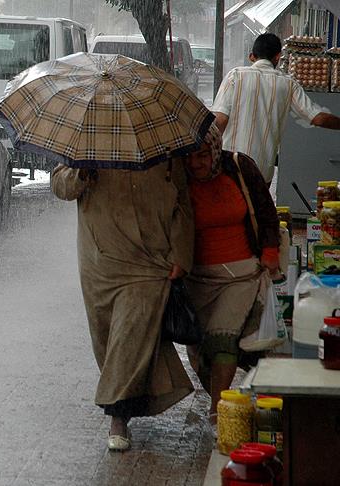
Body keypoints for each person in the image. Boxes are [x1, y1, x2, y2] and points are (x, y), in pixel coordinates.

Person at [51, 159, 195, 452]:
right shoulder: (90, 143)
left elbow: (182, 202)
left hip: (149, 261)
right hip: (101, 260)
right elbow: (60, 186)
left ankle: (117, 415)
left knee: (130, 332)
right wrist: (81, 173)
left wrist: (182, 253)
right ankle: (131, 398)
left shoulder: (163, 145)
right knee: (109, 339)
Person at [182, 125, 280, 422]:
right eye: (189, 157)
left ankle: (217, 411)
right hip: (197, 278)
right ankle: (219, 396)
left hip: (241, 276)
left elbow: (266, 211)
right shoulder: (176, 179)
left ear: (214, 151)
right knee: (199, 348)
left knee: (223, 339)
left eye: (202, 155)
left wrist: (270, 251)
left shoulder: (239, 167)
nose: (196, 163)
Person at [212, 33, 340, 184]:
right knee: (258, 208)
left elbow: (219, 121)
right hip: (261, 172)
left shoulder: (235, 76)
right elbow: (318, 118)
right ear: (278, 57)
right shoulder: (288, 83)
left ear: (252, 56)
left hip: (231, 168)